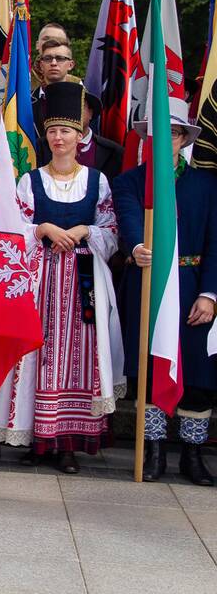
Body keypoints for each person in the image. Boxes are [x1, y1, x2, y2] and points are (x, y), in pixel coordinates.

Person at [0, 100, 123, 474]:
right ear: (45, 137)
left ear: (80, 137)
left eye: (66, 131)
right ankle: (35, 436)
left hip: (84, 278)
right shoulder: (30, 180)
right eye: (53, 132)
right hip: (41, 277)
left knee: (80, 357)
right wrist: (43, 229)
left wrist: (83, 230)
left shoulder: (98, 180)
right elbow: (13, 227)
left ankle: (67, 442)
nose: (59, 138)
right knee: (35, 352)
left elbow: (111, 229)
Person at [114, 114, 217, 486]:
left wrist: (210, 294)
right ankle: (152, 450)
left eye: (174, 134)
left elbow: (215, 242)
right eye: (159, 134)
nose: (166, 141)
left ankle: (192, 455)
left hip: (193, 287)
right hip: (149, 284)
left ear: (184, 140)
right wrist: (137, 246)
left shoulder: (206, 185)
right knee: (150, 367)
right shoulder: (131, 181)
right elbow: (127, 218)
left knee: (198, 374)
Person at [36, 82, 124, 181]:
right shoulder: (38, 148)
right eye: (65, 106)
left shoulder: (113, 152)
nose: (71, 113)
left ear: (91, 112)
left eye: (77, 107)